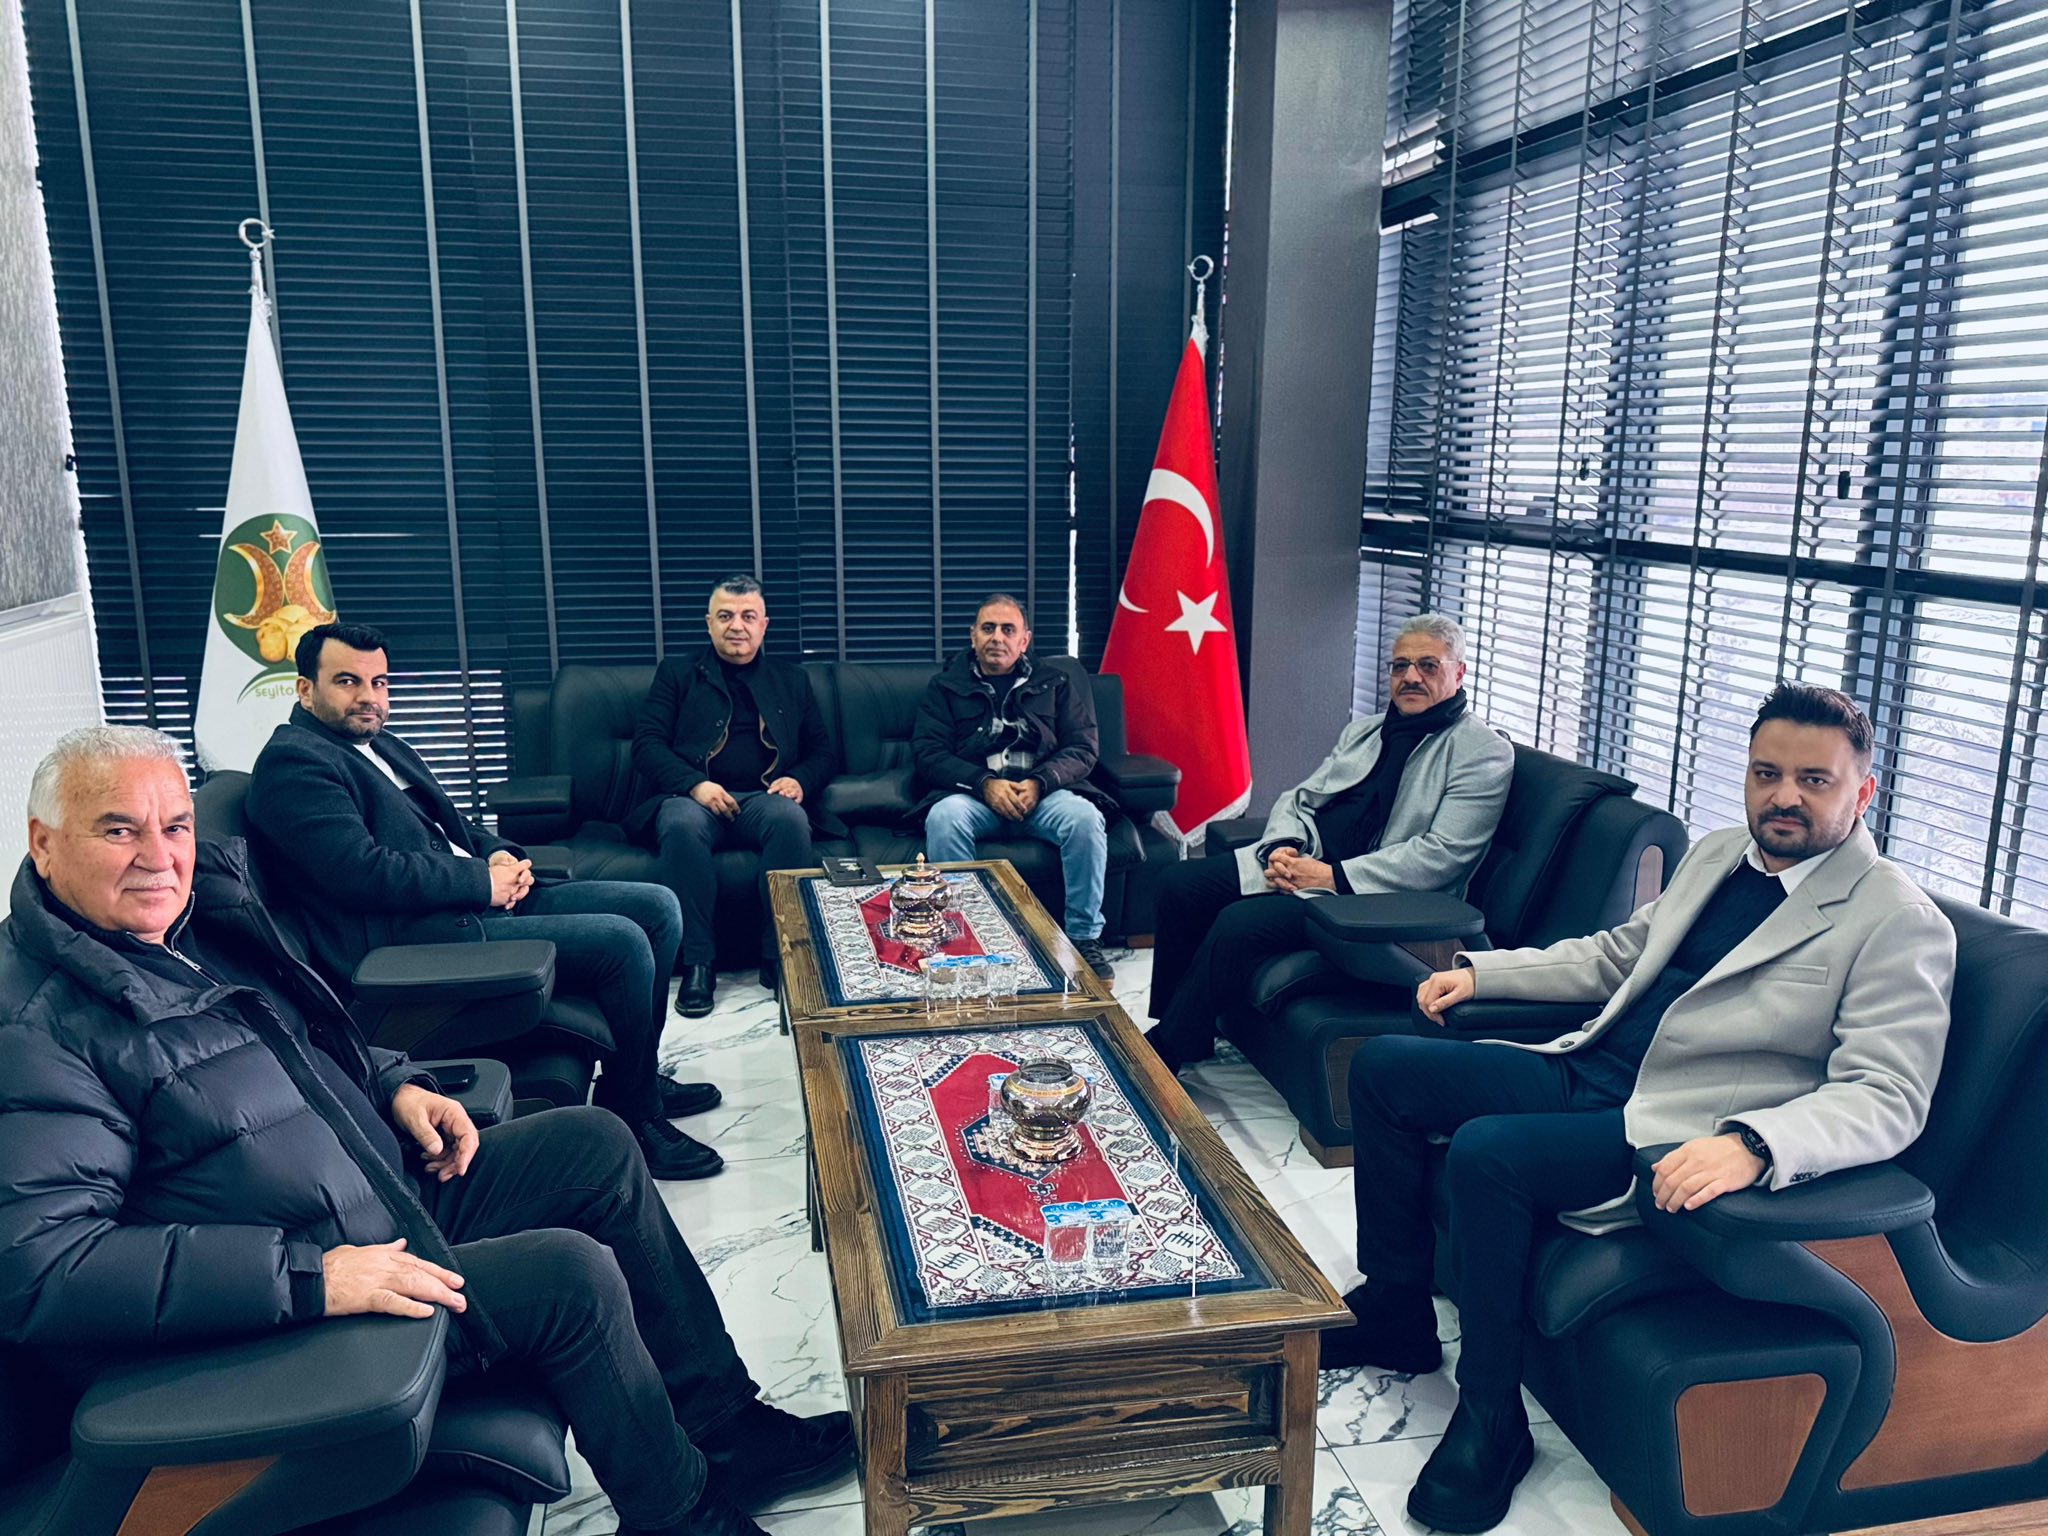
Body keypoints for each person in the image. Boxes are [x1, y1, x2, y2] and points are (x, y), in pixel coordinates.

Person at [0, 726, 853, 1536]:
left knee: (594, 1144)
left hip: (373, 1195)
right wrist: (310, 1277)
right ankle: (678, 1514)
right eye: (119, 829)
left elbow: (304, 1041)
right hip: (298, 1297)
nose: (159, 856)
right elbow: (46, 1268)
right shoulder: (39, 1030)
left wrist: (393, 1084)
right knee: (570, 1276)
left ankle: (725, 1426)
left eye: (176, 826)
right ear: (44, 843)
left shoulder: (194, 927)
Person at [1326, 685, 1956, 1534]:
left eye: (1815, 780)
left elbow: (1888, 1093)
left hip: (1668, 1126)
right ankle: (1397, 1309)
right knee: (1385, 1068)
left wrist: (1756, 1145)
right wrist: (1486, 974)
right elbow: (1619, 954)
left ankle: (1492, 1417)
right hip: (1592, 1068)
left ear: (1863, 791)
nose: (1784, 797)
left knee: (1488, 1151)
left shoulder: (1896, 918)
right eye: (1767, 773)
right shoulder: (1721, 854)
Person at [246, 622, 722, 1181]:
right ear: (306, 690)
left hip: (469, 902)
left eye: (380, 682)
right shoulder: (295, 763)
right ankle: (638, 1114)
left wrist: (500, 855)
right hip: (414, 940)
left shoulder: (379, 745)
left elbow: (451, 827)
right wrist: (481, 882)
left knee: (659, 907)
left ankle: (635, 1080)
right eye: (348, 681)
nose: (369, 697)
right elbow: (361, 872)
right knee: (623, 942)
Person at [1144, 613, 1514, 1074]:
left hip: (1379, 898)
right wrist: (1282, 848)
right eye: (1400, 666)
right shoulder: (1367, 731)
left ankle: (1165, 1052)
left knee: (1239, 923)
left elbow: (1444, 855)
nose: (1411, 677)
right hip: (1311, 863)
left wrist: (1332, 876)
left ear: (1459, 672)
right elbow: (1301, 797)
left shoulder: (1482, 750)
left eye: (1428, 665)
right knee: (1178, 884)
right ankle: (1185, 1029)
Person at [625, 576, 833, 1018]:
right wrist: (694, 784)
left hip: (763, 799)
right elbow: (647, 745)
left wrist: (799, 780)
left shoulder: (791, 679)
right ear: (709, 623)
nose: (737, 626)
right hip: (693, 799)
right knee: (680, 824)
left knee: (791, 819)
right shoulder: (677, 674)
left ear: (764, 625)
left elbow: (821, 752)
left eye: (747, 616)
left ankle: (780, 958)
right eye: (725, 616)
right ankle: (697, 963)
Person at [912, 593, 1118, 980]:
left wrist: (1041, 782)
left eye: (1008, 630)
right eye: (988, 628)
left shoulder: (1055, 682)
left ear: (1025, 640)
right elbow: (928, 753)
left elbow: (1083, 747)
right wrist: (984, 784)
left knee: (1085, 819)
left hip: (1042, 794)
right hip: (975, 796)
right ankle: (963, 937)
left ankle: (1084, 938)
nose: (997, 637)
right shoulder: (945, 687)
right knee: (944, 818)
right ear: (973, 636)